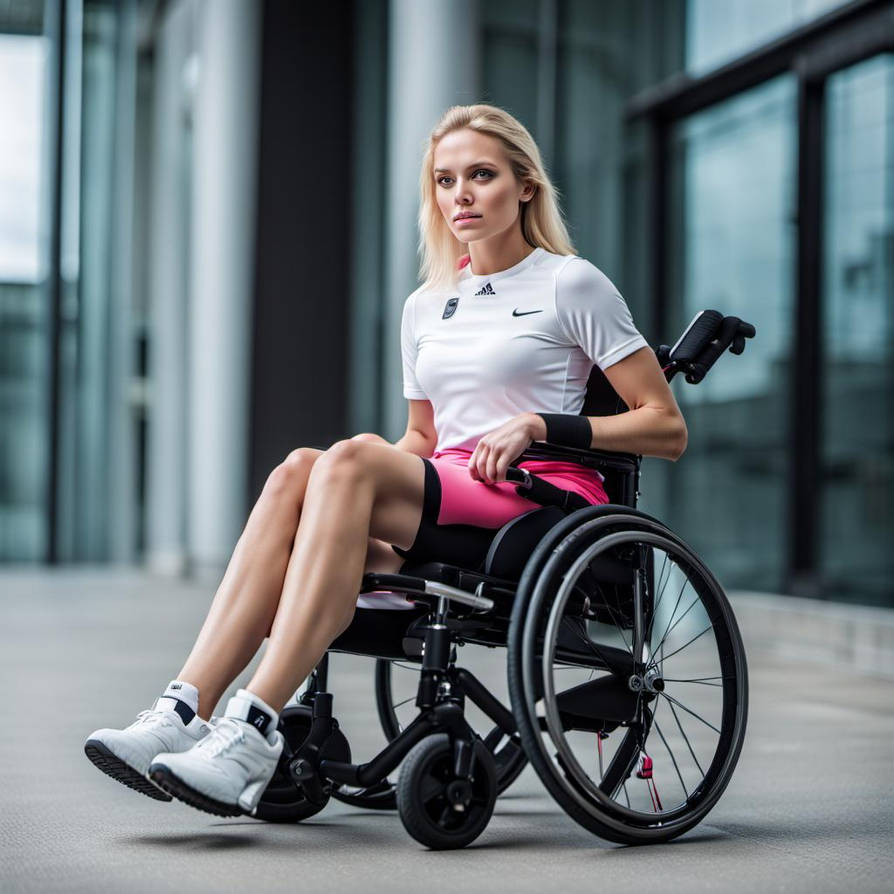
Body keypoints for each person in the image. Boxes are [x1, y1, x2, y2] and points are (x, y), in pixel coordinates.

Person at [84, 103, 688, 817]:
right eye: (445, 180)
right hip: (451, 489)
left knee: (346, 462)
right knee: (300, 469)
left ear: (525, 186)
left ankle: (251, 730)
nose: (460, 195)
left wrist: (539, 424)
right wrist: (344, 485)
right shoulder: (426, 306)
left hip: (541, 501)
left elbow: (665, 427)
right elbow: (423, 440)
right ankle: (181, 711)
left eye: (482, 175)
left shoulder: (570, 283)